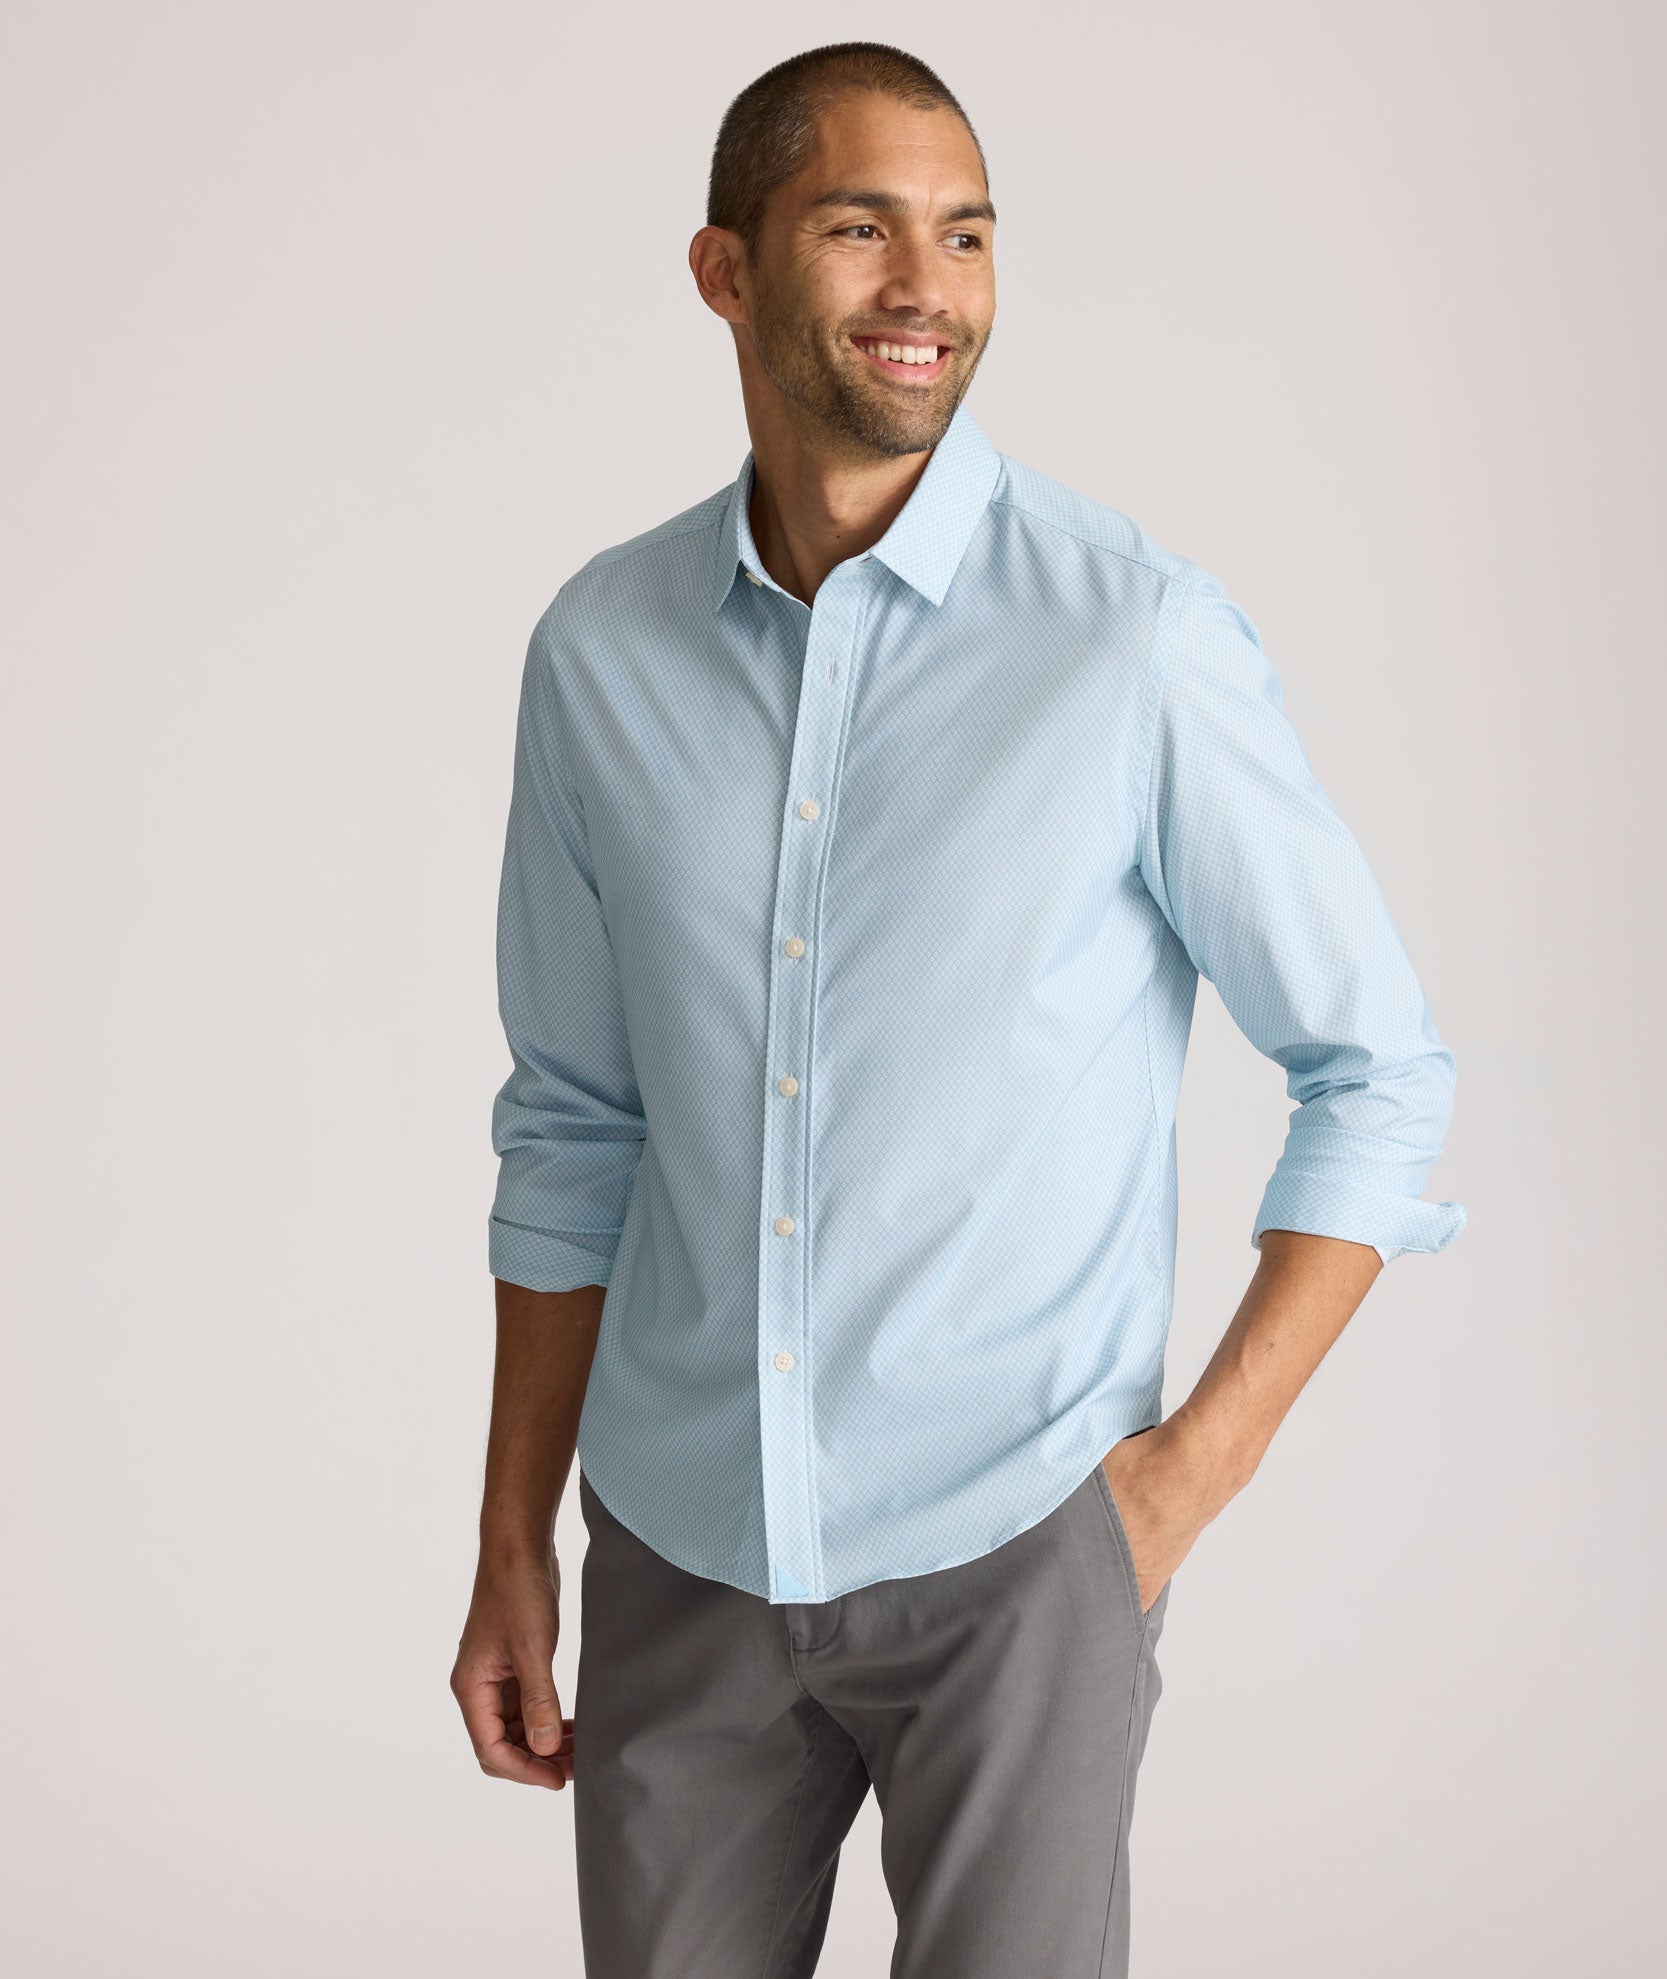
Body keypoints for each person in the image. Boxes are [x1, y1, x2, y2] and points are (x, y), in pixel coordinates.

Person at [450, 40, 1466, 1979]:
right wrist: (515, 1539)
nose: (928, 285)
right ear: (725, 271)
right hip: (677, 1545)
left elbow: (1376, 1074)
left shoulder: (1129, 636)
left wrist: (1168, 1494)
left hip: (1021, 1549)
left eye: (968, 234)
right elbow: (575, 1117)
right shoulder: (600, 649)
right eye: (861, 229)